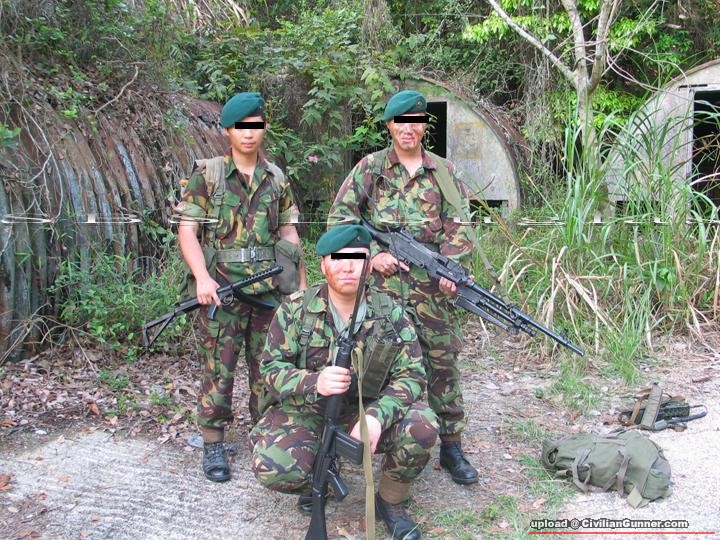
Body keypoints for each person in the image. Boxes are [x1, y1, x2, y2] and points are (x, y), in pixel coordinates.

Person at [327, 90, 479, 485]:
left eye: (416, 121)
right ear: (390, 125)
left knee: (442, 363)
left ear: (424, 125)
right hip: (382, 291)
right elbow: (340, 219)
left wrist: (450, 268)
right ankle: (360, 434)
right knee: (374, 362)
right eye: (401, 122)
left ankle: (451, 445)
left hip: (432, 292)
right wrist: (373, 254)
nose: (408, 129)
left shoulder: (444, 171)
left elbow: (461, 226)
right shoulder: (371, 168)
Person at [250, 225, 437, 540]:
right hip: (308, 412)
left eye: (357, 258)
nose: (347, 267)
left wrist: (377, 417)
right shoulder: (296, 309)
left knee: (423, 424)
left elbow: (413, 374)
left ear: (369, 265)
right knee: (272, 465)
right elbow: (270, 368)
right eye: (338, 259)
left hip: (365, 409)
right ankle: (317, 478)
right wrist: (314, 381)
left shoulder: (390, 314)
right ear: (324, 265)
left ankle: (390, 501)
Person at [174, 91, 306, 483]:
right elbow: (187, 230)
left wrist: (299, 287)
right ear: (228, 131)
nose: (248, 134)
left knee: (268, 367)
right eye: (240, 127)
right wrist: (202, 277)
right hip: (223, 290)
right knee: (219, 368)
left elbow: (289, 234)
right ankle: (214, 443)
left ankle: (265, 433)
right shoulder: (208, 174)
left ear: (263, 128)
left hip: (267, 291)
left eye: (255, 126)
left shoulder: (276, 178)